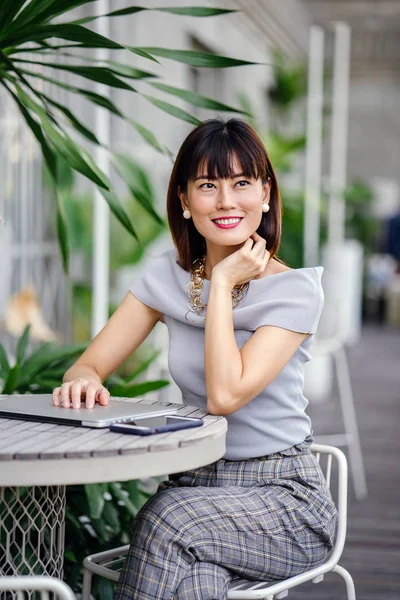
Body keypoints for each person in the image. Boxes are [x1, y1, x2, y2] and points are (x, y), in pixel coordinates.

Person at [53, 118, 337, 600]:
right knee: (194, 581)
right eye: (208, 185)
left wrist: (222, 284)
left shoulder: (294, 290)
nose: (226, 201)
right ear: (185, 201)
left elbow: (226, 395)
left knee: (165, 519)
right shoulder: (167, 276)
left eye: (242, 183)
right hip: (196, 483)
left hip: (284, 499)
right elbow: (88, 365)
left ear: (265, 193)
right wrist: (82, 380)